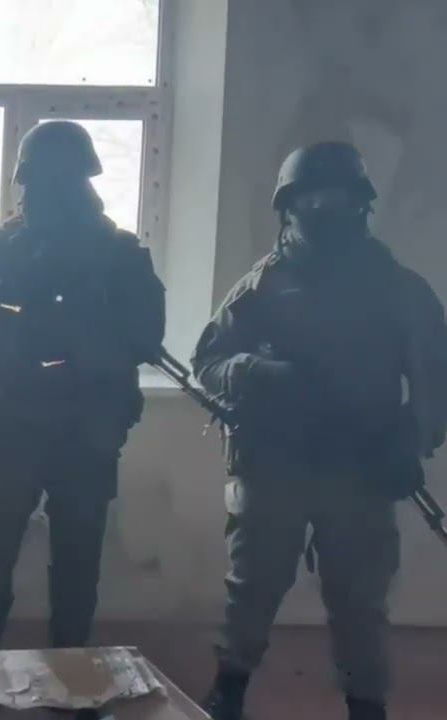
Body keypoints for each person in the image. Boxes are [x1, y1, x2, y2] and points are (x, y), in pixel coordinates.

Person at [193, 142, 447, 720]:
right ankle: (230, 688)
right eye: (312, 198)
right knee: (252, 587)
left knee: (361, 601)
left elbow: (436, 380)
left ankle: (366, 703)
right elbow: (207, 362)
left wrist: (410, 441)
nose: (325, 209)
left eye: (339, 198)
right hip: (273, 463)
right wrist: (255, 373)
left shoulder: (399, 289)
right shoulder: (259, 287)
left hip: (360, 469)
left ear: (361, 205)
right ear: (288, 207)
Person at [0, 121, 165, 654]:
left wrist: (88, 315)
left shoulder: (117, 253)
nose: (49, 194)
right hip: (13, 423)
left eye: (62, 183)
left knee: (78, 558)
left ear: (84, 182)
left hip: (87, 426)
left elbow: (146, 338)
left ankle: (72, 670)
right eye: (41, 183)